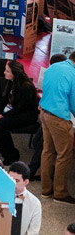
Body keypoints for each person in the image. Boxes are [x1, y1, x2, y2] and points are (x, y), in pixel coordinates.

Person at [0, 61, 38, 165]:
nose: (4, 72)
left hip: (25, 115)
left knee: (0, 125)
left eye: (7, 71)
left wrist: (2, 116)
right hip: (12, 109)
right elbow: (4, 99)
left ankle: (11, 155)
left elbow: (21, 109)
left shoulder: (26, 87)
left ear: (15, 74)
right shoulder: (11, 81)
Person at [39, 50, 75, 203]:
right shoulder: (73, 74)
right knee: (64, 154)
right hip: (59, 118)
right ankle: (60, 193)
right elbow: (73, 102)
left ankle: (46, 190)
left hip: (44, 113)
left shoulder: (53, 67)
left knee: (47, 151)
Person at [6, 162, 41, 235]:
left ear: (26, 182)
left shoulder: (35, 203)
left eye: (17, 181)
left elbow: (33, 231)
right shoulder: (0, 195)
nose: (12, 183)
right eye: (10, 179)